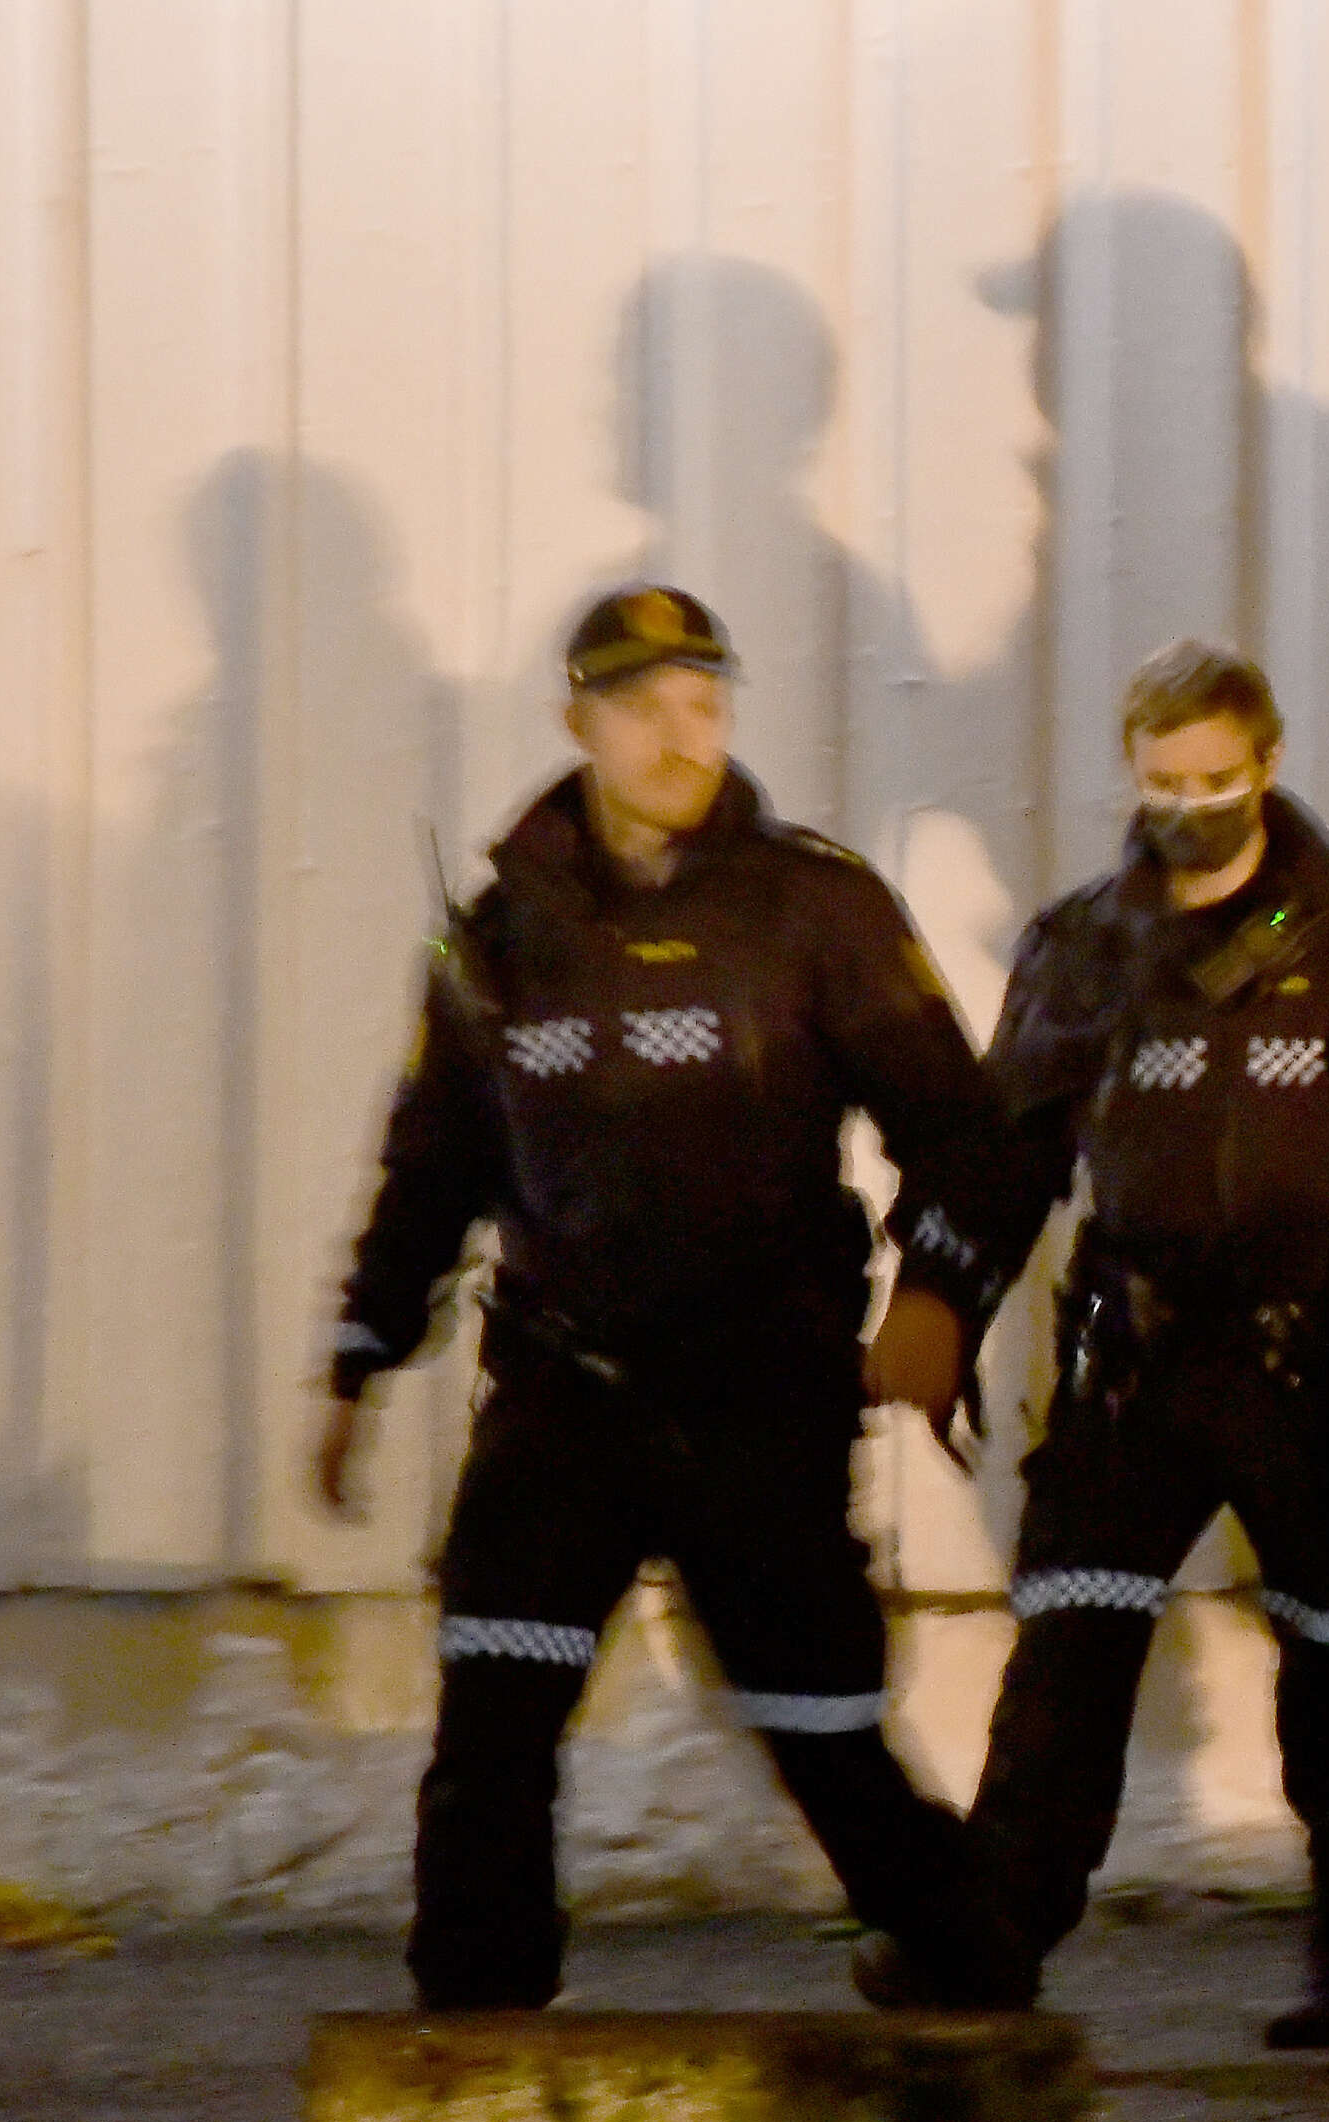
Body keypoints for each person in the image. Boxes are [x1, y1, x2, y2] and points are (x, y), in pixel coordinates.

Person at [311, 583, 1027, 2013]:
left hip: (758, 1393)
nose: (680, 734)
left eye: (705, 702)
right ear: (578, 722)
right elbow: (432, 1165)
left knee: (821, 1723)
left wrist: (939, 1298)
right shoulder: (497, 932)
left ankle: (967, 1977)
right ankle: (471, 2040)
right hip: (559, 1392)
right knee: (492, 1724)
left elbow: (969, 1138)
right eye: (642, 707)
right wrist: (358, 1360)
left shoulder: (815, 907)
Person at [871, 640, 1329, 2043]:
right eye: (1164, 784)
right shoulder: (1087, 946)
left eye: (1216, 779)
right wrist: (937, 1297)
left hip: (1308, 1354)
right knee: (1066, 1648)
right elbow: (1006, 1150)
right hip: (1136, 1360)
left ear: (1269, 762)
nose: (1189, 808)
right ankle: (995, 1943)